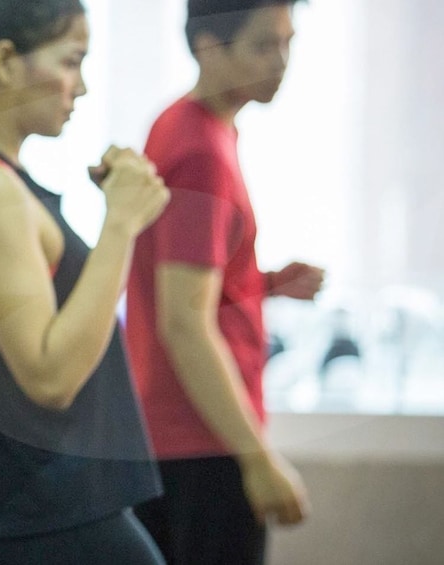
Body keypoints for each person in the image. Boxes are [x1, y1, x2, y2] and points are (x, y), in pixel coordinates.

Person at [0, 1, 171, 563]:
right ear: (5, 62)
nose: (81, 87)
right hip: (31, 517)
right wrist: (120, 225)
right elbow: (49, 377)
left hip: (39, 512)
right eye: (71, 61)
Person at [124, 1, 324, 563]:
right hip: (202, 442)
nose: (281, 61)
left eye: (288, 42)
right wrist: (258, 458)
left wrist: (261, 284)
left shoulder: (181, 122)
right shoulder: (201, 152)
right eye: (264, 45)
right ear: (208, 47)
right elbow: (184, 323)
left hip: (176, 435)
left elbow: (184, 286)